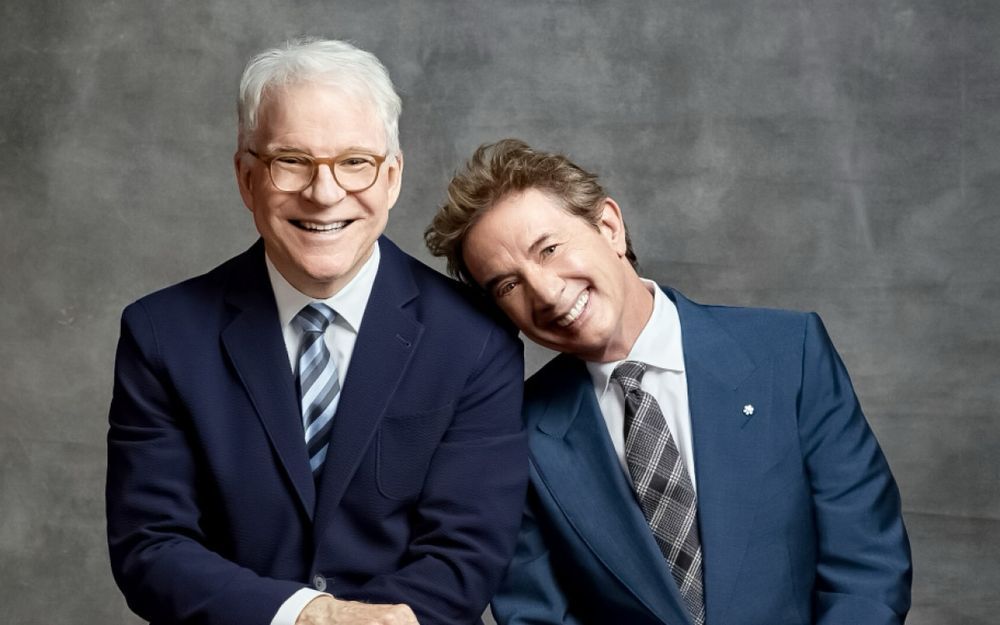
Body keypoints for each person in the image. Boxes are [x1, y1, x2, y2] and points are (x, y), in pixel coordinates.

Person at [106, 40, 528, 625]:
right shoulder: (162, 335)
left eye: (354, 161)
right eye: (292, 160)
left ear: (392, 177)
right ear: (247, 177)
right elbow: (151, 547)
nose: (324, 193)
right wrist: (309, 616)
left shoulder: (474, 340)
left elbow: (469, 551)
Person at [425, 139, 912, 625]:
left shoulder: (788, 353)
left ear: (609, 226)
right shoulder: (517, 434)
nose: (547, 292)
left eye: (549, 249)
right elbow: (538, 615)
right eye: (509, 284)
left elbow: (866, 565)